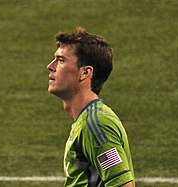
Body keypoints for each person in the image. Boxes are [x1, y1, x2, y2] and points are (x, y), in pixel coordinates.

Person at [47, 27, 135, 187]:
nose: (50, 66)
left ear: (85, 72)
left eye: (60, 60)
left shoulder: (96, 125)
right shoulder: (88, 120)